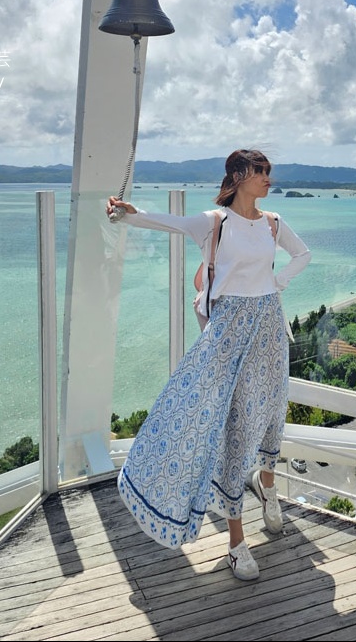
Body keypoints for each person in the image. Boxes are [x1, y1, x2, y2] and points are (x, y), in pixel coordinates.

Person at [106, 149, 311, 581]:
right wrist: (130, 213)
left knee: (271, 416)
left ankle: (268, 490)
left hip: (270, 331)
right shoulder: (214, 223)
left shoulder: (273, 222)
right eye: (261, 173)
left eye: (269, 173)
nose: (268, 180)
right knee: (232, 429)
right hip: (227, 338)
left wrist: (276, 283)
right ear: (239, 176)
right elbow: (170, 223)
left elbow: (302, 255)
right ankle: (236, 543)